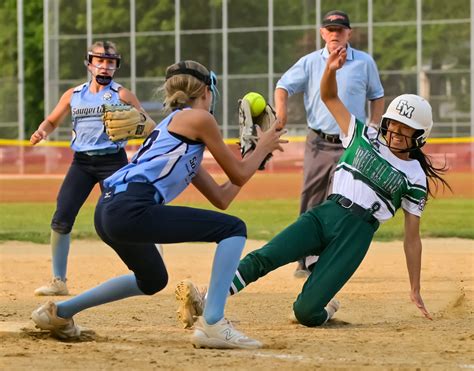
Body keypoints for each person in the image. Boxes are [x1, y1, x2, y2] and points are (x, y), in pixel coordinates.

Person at [176, 47, 451, 334]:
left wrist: (415, 288)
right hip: (325, 214)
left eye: (404, 129)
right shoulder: (363, 134)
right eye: (392, 124)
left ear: (419, 137)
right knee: (265, 256)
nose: (395, 131)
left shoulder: (415, 176)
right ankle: (206, 301)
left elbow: (412, 238)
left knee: (305, 312)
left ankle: (326, 307)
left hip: (356, 235)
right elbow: (330, 97)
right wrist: (330, 70)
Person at [31, 60, 286, 349]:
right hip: (131, 207)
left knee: (152, 279)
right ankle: (213, 322)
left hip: (109, 209)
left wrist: (254, 155)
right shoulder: (198, 119)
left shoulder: (175, 131)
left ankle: (59, 313)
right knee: (234, 229)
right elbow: (238, 172)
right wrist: (262, 146)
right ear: (206, 91)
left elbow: (223, 197)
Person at [273, 10, 385, 277]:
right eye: (330, 30)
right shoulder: (311, 62)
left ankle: (328, 257)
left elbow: (377, 97)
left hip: (352, 144)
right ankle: (304, 259)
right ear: (323, 33)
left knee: (345, 201)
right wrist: (281, 113)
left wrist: (374, 126)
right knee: (310, 197)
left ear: (349, 33)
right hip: (319, 142)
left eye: (340, 30)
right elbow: (283, 86)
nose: (335, 34)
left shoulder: (364, 62)